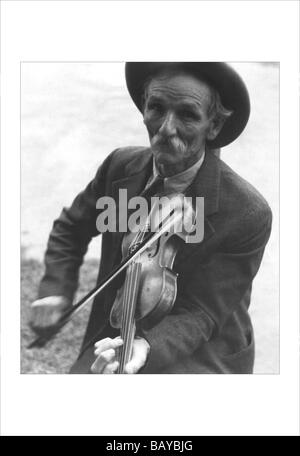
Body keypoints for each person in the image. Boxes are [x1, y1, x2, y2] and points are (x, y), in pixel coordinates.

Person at [29, 62, 272, 374]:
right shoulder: (120, 167)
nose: (166, 128)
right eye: (156, 107)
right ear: (143, 108)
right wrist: (55, 289)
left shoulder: (246, 212)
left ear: (213, 126)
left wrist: (146, 346)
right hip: (119, 324)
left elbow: (203, 313)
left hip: (203, 349)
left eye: (187, 114)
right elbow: (72, 227)